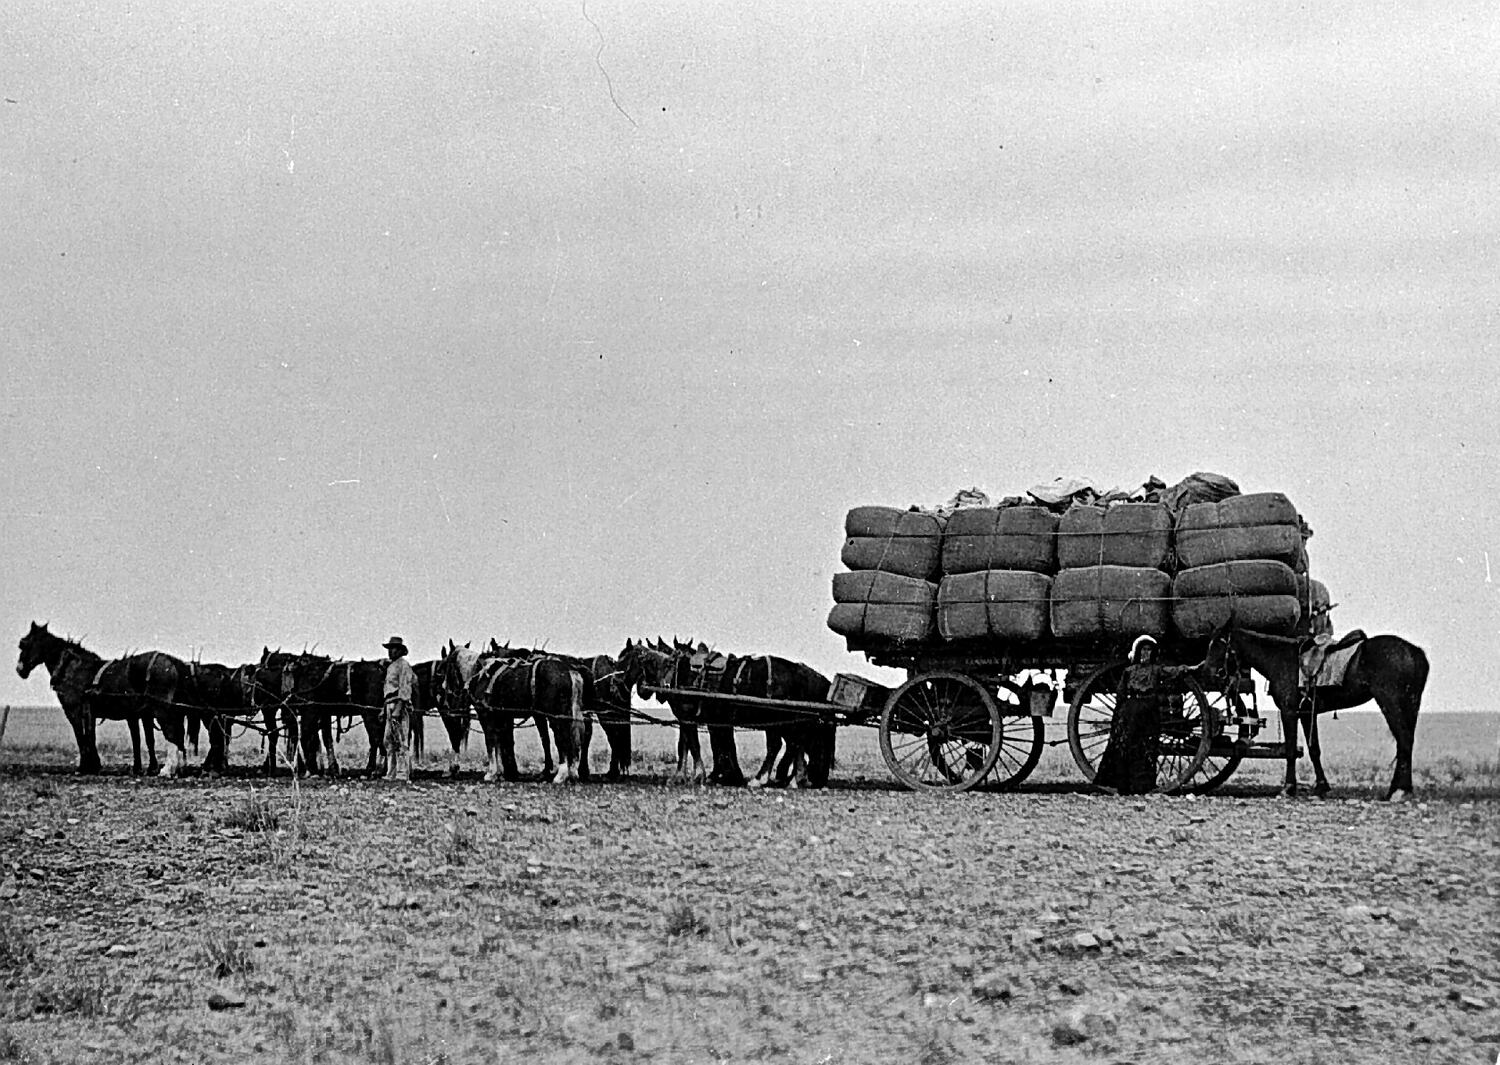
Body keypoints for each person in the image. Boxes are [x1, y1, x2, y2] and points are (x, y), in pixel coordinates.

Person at [1094, 635, 1199, 795]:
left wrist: (1192, 668)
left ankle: (1143, 785)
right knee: (1126, 748)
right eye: (1143, 650)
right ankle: (1123, 785)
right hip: (1130, 711)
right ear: (1137, 653)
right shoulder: (1128, 671)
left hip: (1148, 711)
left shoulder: (1156, 670)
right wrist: (1119, 716)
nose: (1146, 654)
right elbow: (1121, 695)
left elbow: (1174, 671)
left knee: (1146, 749)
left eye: (1149, 651)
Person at [382, 636, 416, 782]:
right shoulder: (391, 666)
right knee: (388, 741)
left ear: (400, 651)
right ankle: (391, 773)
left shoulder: (404, 665)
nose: (391, 652)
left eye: (394, 649)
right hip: (389, 704)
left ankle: (403, 773)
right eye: (389, 649)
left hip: (398, 705)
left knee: (401, 741)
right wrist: (384, 710)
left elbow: (404, 688)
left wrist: (398, 709)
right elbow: (387, 689)